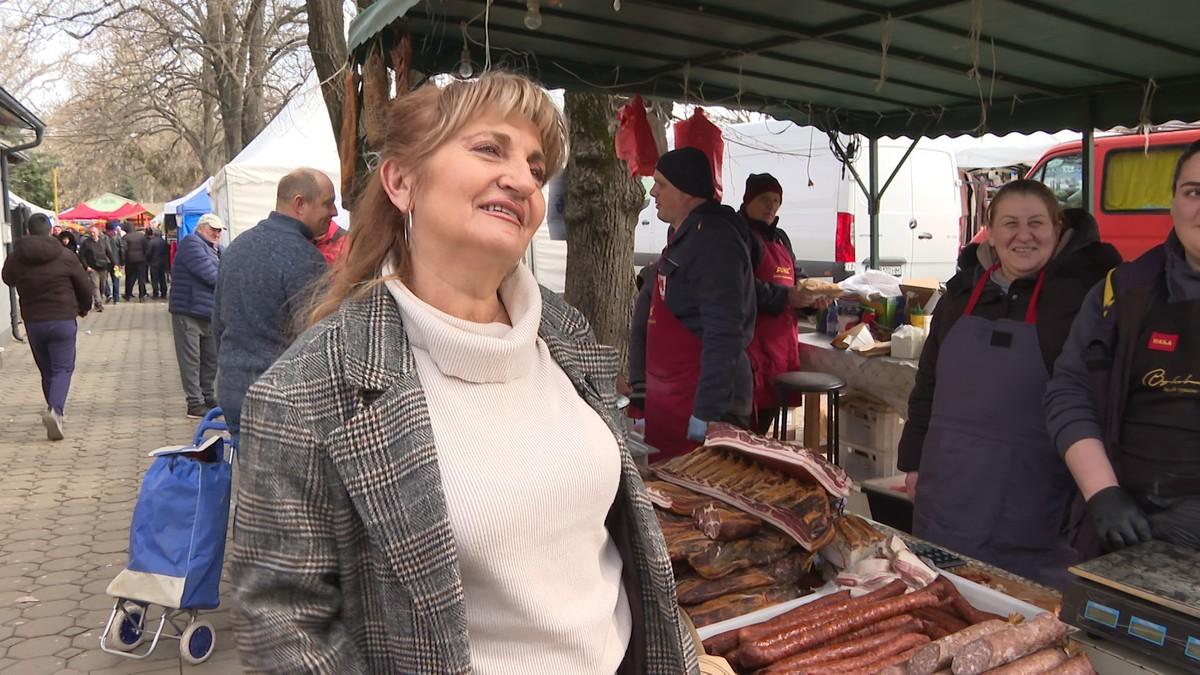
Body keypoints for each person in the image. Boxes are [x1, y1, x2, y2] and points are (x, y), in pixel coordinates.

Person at [229, 72, 698, 674]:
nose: (522, 179)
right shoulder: (308, 392)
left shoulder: (568, 335)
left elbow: (614, 541)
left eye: (534, 165)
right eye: (488, 148)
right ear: (401, 182)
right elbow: (284, 627)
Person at [897, 179, 1121, 588]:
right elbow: (927, 381)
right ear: (992, 231)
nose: (1023, 235)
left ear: (1057, 228)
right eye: (1010, 224)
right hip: (949, 489)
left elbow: (1098, 403)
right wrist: (912, 459)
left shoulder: (1082, 300)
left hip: (1033, 498)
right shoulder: (962, 292)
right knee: (941, 605)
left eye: (1036, 223)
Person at [1046, 141, 1200, 553]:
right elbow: (1069, 390)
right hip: (1126, 528)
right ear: (1173, 203)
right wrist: (1102, 493)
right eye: (1193, 192)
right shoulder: (1120, 291)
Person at [633, 146, 756, 460]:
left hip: (705, 400)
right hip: (674, 398)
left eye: (661, 184)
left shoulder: (715, 240)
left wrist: (708, 411)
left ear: (685, 188)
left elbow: (724, 331)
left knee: (709, 498)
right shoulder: (684, 235)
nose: (653, 192)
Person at [212, 168, 332, 438]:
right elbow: (318, 342)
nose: (334, 212)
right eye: (327, 203)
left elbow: (217, 324)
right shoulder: (304, 257)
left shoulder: (237, 247)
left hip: (234, 392)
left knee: (253, 480)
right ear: (300, 204)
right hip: (282, 403)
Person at [738, 172, 825, 434]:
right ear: (748, 200)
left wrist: (811, 298)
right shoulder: (739, 235)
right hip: (753, 345)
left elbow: (796, 276)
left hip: (781, 346)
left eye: (776, 201)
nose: (771, 206)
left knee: (767, 420)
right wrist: (787, 296)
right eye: (765, 199)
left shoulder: (781, 238)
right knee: (747, 427)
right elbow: (742, 287)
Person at [1, 214, 93, 440]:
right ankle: (56, 410)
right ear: (51, 231)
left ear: (29, 231)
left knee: (47, 370)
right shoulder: (65, 255)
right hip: (62, 319)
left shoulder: (17, 256)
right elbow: (84, 286)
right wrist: (84, 307)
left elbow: (7, 278)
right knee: (63, 369)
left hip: (34, 322)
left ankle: (54, 409)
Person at [170, 214, 223, 418]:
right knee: (191, 360)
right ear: (201, 228)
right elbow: (212, 276)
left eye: (219, 231)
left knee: (210, 358)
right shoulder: (192, 244)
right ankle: (194, 402)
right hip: (189, 311)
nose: (217, 234)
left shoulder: (213, 248)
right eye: (213, 229)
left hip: (207, 312)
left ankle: (207, 396)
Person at [78, 225, 111, 313]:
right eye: (91, 232)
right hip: (92, 268)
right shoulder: (86, 243)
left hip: (103, 267)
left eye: (94, 232)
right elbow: (81, 256)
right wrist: (86, 266)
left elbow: (109, 252)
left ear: (98, 233)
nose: (92, 234)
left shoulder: (103, 241)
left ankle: (98, 300)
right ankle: (99, 303)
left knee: (102, 286)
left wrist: (115, 263)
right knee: (95, 286)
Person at [123, 222, 149, 300]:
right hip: (141, 260)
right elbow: (146, 247)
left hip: (130, 260)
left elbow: (123, 250)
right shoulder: (141, 236)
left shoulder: (125, 237)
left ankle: (128, 294)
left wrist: (123, 260)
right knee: (141, 278)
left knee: (129, 278)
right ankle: (141, 295)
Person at [104, 221, 126, 304]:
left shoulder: (102, 238)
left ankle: (107, 293)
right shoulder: (117, 238)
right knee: (116, 280)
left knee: (104, 280)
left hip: (105, 262)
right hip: (116, 262)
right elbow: (122, 251)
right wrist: (122, 263)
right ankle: (116, 299)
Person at [147, 228, 170, 298]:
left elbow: (148, 253)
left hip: (154, 263)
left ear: (154, 234)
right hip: (163, 263)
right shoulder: (164, 242)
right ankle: (164, 293)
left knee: (154, 279)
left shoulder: (152, 242)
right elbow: (168, 252)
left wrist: (148, 261)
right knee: (162, 278)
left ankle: (155, 293)